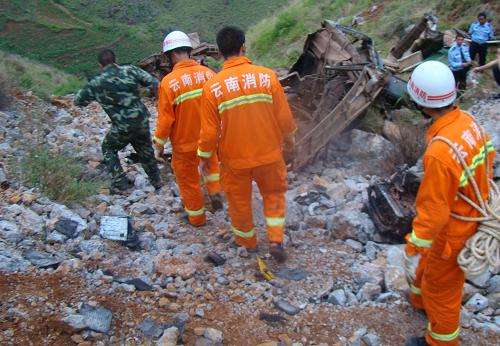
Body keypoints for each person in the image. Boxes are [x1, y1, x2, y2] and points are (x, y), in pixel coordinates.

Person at [404, 61, 495, 346]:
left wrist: (415, 244)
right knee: (428, 272)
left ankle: (441, 341)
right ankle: (419, 303)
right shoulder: (467, 121)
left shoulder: (440, 152)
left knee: (443, 289)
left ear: (421, 103)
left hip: (454, 229)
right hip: (470, 214)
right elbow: (488, 157)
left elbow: (434, 210)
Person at [197, 26, 297, 262]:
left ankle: (247, 242)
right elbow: (285, 118)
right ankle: (275, 240)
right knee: (273, 195)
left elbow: (209, 133)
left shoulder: (212, 88)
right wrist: (290, 140)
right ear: (244, 46)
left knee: (239, 202)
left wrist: (203, 156)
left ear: (220, 53)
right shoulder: (267, 76)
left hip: (234, 161)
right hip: (270, 155)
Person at [153, 31, 222, 227]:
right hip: (210, 139)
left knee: (188, 181)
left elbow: (165, 120)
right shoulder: (209, 74)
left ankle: (197, 218)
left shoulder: (168, 83)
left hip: (185, 144)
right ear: (189, 52)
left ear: (170, 55)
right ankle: (216, 194)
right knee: (212, 166)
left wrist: (158, 145)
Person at [75, 49, 162, 192]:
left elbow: (78, 101)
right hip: (141, 120)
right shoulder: (130, 70)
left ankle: (120, 181)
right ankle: (157, 181)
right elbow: (154, 83)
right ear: (115, 60)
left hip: (122, 127)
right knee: (145, 151)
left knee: (108, 148)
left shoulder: (96, 83)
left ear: (100, 65)